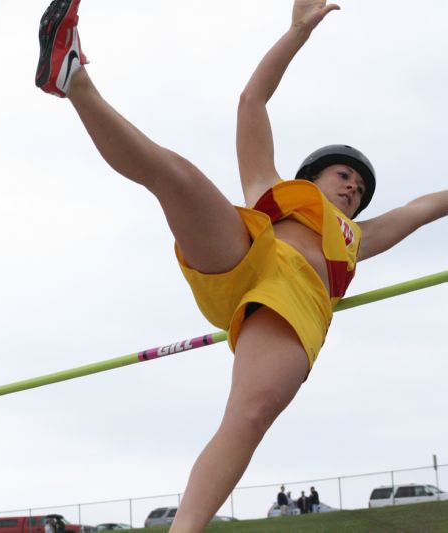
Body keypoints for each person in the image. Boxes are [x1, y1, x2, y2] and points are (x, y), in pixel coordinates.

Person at [34, 0, 448, 531]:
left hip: (292, 305)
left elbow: (423, 208)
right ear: (316, 175)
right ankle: (72, 78)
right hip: (246, 254)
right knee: (178, 176)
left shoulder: (358, 238)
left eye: (360, 188)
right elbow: (252, 101)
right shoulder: (271, 188)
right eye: (344, 175)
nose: (353, 187)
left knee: (246, 419)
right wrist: (296, 32)